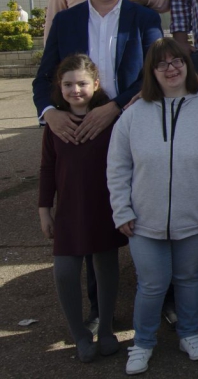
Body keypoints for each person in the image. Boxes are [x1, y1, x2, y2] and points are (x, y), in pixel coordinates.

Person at [106, 39, 198, 375]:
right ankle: (143, 343)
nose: (172, 68)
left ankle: (190, 333)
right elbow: (117, 167)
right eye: (163, 64)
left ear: (188, 67)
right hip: (144, 219)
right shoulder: (133, 115)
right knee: (152, 283)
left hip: (194, 216)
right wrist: (122, 210)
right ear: (152, 72)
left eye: (178, 61)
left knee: (189, 278)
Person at [38, 54, 127, 363]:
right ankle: (79, 335)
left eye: (82, 83)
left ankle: (104, 329)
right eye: (68, 84)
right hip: (69, 212)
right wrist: (44, 209)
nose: (75, 90)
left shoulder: (111, 120)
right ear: (59, 87)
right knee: (65, 273)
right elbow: (48, 169)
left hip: (104, 207)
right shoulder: (55, 123)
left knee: (105, 269)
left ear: (96, 84)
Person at [34, 0, 163, 141]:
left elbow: (154, 73)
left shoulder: (146, 19)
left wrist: (114, 106)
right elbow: (44, 76)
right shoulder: (64, 21)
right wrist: (49, 112)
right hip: (79, 129)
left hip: (132, 122)